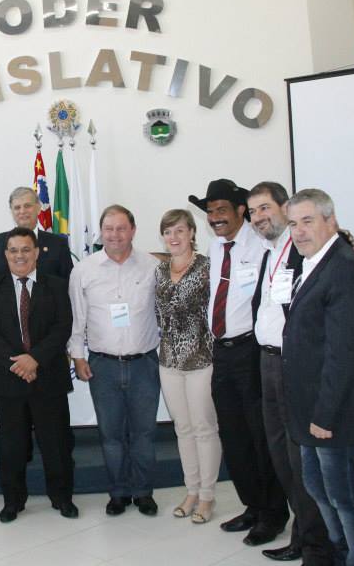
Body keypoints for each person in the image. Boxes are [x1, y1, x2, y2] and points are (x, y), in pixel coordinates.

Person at [283, 188, 354, 566]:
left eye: (307, 221)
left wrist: (324, 415)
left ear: (330, 221)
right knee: (318, 487)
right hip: (314, 406)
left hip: (337, 409)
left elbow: (343, 353)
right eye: (293, 223)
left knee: (346, 495)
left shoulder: (345, 269)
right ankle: (343, 554)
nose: (299, 231)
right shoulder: (316, 262)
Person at [188, 179, 288, 546]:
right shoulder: (216, 248)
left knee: (262, 436)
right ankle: (253, 506)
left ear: (240, 211)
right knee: (234, 436)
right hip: (222, 352)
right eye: (210, 212)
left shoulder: (261, 245)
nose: (215, 218)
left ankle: (274, 514)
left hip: (252, 351)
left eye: (221, 211)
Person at [247, 182, 333, 564]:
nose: (258, 217)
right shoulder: (269, 252)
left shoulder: (305, 249)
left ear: (284, 208)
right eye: (252, 212)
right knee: (282, 456)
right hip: (267, 363)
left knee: (302, 460)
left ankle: (316, 543)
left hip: (293, 365)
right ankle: (303, 532)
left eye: (265, 208)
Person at [0, 227, 77, 523]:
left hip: (49, 376)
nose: (19, 255)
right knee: (11, 446)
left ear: (36, 253)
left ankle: (61, 497)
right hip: (10, 380)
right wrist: (18, 363)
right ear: (5, 255)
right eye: (13, 250)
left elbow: (63, 328)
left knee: (56, 444)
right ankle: (13, 501)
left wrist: (34, 359)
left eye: (25, 250)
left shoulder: (57, 285)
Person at [69, 204, 160, 517]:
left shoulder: (152, 266)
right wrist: (78, 357)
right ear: (100, 232)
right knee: (110, 435)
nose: (115, 235)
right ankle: (118, 493)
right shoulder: (84, 269)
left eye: (121, 228)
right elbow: (77, 320)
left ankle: (144, 492)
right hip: (103, 364)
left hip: (144, 362)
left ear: (133, 230)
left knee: (144, 434)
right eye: (109, 229)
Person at [153, 209, 220, 525]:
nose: (174, 237)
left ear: (193, 233)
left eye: (180, 230)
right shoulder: (160, 271)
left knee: (204, 428)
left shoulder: (209, 266)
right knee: (183, 428)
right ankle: (191, 490)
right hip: (168, 360)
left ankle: (207, 496)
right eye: (168, 232)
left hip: (201, 358)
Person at [0, 186, 73, 282]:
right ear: (12, 212)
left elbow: (68, 285)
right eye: (17, 207)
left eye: (27, 206)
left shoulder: (58, 244)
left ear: (38, 208)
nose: (22, 211)